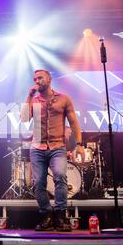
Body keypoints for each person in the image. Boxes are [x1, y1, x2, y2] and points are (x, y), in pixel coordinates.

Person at [21, 69, 84, 231]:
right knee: (38, 183)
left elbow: (74, 122)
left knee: (60, 177)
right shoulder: (33, 101)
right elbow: (24, 118)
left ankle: (60, 215)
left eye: (40, 78)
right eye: (35, 78)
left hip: (57, 147)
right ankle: (46, 215)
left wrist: (79, 145)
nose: (37, 80)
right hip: (37, 147)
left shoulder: (64, 99)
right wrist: (28, 96)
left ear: (49, 79)